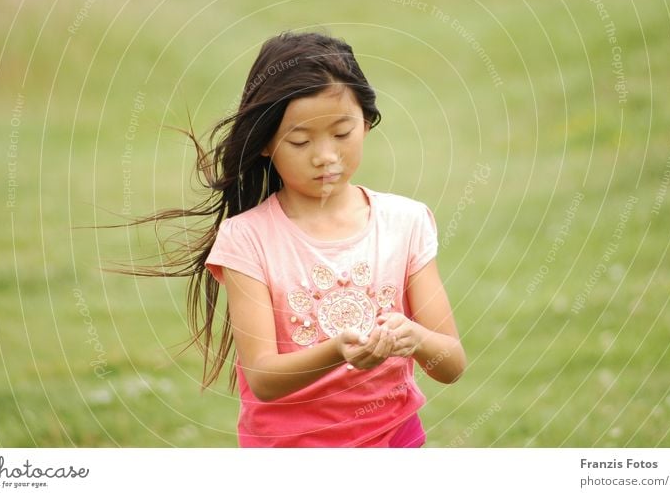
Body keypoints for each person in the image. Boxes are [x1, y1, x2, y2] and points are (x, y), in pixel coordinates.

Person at [158, 31, 465, 447]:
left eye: (342, 133)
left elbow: (451, 363)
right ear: (265, 142)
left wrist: (416, 338)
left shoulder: (405, 222)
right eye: (301, 141)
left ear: (367, 123)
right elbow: (264, 377)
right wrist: (337, 351)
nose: (326, 156)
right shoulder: (247, 238)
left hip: (395, 441)